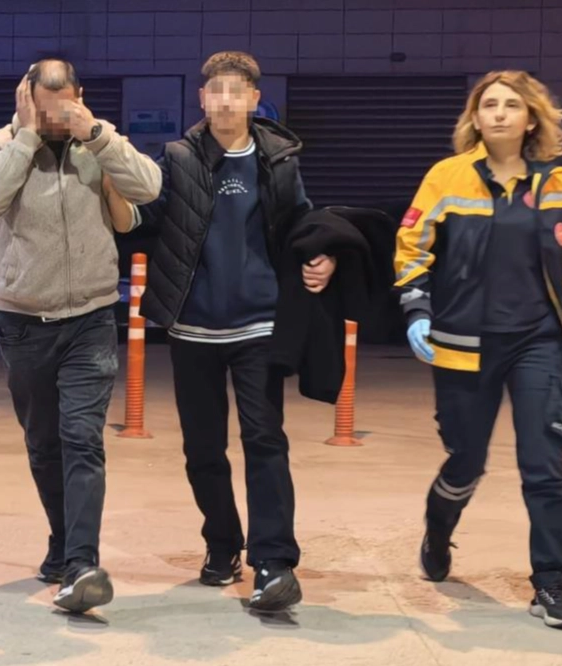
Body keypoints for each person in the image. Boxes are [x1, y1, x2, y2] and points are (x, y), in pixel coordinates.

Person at [394, 71, 562, 629]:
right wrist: (416, 308)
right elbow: (412, 246)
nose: (501, 113)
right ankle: (439, 529)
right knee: (466, 461)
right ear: (476, 118)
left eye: (513, 105)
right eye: (490, 104)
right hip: (464, 343)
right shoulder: (447, 176)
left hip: (538, 341)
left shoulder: (553, 185)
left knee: (544, 465)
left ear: (532, 118)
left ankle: (553, 582)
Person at [137, 51, 335, 612]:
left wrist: (323, 257)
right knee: (202, 448)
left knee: (265, 440)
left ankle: (273, 562)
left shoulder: (279, 159)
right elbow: (144, 219)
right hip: (192, 325)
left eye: (236, 91)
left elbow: (301, 224)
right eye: (216, 91)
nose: (225, 101)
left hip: (259, 324)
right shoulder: (176, 158)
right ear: (202, 99)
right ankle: (222, 544)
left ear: (254, 99)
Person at [0, 59, 161, 614]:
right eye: (44, 110)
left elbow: (148, 187)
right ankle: (62, 541)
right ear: (26, 98)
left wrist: (95, 134)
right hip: (24, 322)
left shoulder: (97, 140)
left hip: (90, 319)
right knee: (44, 445)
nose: (56, 120)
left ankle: (81, 565)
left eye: (64, 107)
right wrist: (26, 138)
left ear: (79, 95)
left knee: (82, 439)